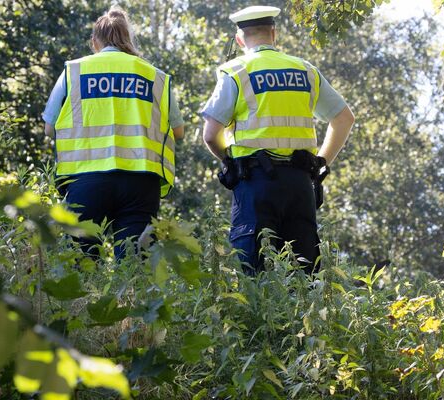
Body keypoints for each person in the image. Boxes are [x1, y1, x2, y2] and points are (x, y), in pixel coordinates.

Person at [200, 5, 355, 274]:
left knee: (253, 270)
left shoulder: (235, 72)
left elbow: (210, 135)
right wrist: (320, 164)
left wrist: (230, 162)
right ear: (274, 34)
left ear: (240, 39)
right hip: (299, 184)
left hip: (255, 183)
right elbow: (344, 119)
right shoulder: (305, 70)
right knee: (303, 273)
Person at [42, 6, 185, 259]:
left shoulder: (74, 70)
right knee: (133, 265)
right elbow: (178, 131)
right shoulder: (156, 76)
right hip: (140, 182)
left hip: (85, 180)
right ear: (127, 39)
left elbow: (49, 127)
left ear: (94, 42)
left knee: (80, 265)